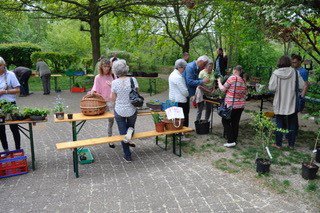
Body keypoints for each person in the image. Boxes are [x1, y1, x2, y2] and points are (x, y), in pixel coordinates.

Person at [268, 56, 305, 149]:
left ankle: (278, 144)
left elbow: (271, 88)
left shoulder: (276, 73)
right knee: (292, 123)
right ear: (289, 62)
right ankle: (291, 144)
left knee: (279, 122)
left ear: (279, 62)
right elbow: (302, 86)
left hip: (280, 101)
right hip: (292, 102)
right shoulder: (295, 72)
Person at [111, 59, 138, 162]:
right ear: (126, 69)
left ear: (115, 71)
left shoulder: (114, 83)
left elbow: (112, 99)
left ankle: (128, 155)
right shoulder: (133, 80)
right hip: (132, 109)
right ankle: (130, 131)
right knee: (130, 129)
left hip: (119, 110)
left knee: (123, 134)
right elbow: (136, 94)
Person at [217, 65, 247, 148]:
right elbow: (245, 93)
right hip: (240, 105)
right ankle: (234, 139)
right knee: (235, 123)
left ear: (235, 70)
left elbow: (223, 89)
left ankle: (230, 141)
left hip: (231, 105)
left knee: (225, 121)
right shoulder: (243, 80)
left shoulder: (232, 78)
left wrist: (219, 82)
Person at [91, 59, 116, 148]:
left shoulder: (113, 75)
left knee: (114, 120)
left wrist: (112, 85)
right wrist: (93, 92)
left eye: (108, 66)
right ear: (101, 67)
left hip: (113, 101)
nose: (106, 68)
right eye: (105, 66)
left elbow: (117, 88)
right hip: (103, 102)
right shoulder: (98, 77)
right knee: (110, 120)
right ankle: (110, 139)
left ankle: (116, 139)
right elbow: (95, 89)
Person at [0, 57, 21, 152]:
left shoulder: (11, 75)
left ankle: (17, 149)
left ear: (4, 65)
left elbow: (18, 90)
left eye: (0, 66)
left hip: (10, 104)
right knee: (1, 130)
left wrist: (4, 91)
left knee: (14, 127)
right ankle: (6, 150)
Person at [183, 55, 210, 127]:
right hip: (184, 92)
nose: (204, 66)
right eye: (204, 64)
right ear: (201, 61)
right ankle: (183, 131)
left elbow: (195, 79)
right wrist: (202, 81)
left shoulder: (196, 67)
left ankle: (185, 130)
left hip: (188, 92)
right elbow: (189, 81)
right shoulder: (190, 67)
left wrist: (202, 80)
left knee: (186, 111)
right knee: (184, 112)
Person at [168, 59, 189, 140]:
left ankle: (177, 133)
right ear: (180, 67)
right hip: (180, 100)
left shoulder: (172, 74)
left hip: (174, 99)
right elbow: (184, 91)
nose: (184, 69)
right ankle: (181, 135)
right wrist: (188, 94)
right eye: (184, 68)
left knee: (176, 119)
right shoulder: (178, 77)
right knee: (182, 119)